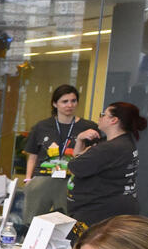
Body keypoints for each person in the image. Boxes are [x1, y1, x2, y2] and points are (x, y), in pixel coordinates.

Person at [22, 84, 99, 220]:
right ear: (55, 104)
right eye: (65, 101)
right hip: (43, 179)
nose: (69, 105)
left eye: (73, 101)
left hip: (71, 181)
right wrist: (28, 179)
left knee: (68, 222)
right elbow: (33, 155)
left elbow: (94, 155)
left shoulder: (88, 127)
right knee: (33, 222)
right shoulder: (42, 126)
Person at [66, 101, 146, 226]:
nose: (100, 117)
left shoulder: (110, 148)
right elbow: (79, 159)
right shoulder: (124, 143)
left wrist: (83, 152)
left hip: (100, 213)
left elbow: (74, 166)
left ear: (113, 120)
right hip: (110, 208)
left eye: (103, 114)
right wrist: (80, 140)